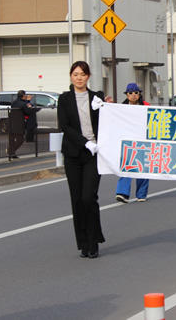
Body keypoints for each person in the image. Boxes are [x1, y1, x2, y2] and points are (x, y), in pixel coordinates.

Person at [57, 61, 106, 258]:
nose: (79, 77)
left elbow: (109, 120)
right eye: (76, 74)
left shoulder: (97, 97)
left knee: (89, 198)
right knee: (77, 200)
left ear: (88, 76)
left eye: (83, 74)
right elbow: (65, 126)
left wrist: (104, 107)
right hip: (73, 154)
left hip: (93, 154)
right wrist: (84, 142)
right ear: (71, 76)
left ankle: (94, 241)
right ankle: (83, 243)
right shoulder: (64, 99)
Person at [116, 83, 151, 204]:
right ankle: (122, 193)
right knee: (126, 166)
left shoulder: (146, 106)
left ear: (139, 94)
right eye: (130, 93)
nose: (133, 95)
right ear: (127, 94)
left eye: (136, 92)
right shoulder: (121, 108)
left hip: (142, 140)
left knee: (142, 167)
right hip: (128, 141)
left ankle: (141, 194)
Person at [8, 90, 36, 159]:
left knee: (12, 139)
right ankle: (10, 151)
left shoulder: (14, 102)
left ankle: (12, 153)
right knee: (20, 139)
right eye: (25, 96)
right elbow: (28, 111)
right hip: (19, 123)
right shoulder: (23, 103)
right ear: (23, 96)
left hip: (11, 122)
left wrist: (27, 102)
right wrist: (28, 101)